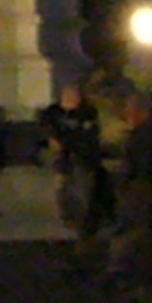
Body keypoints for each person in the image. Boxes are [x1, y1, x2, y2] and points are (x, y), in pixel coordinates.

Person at [105, 91, 152, 291]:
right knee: (145, 230)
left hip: (140, 185)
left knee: (133, 229)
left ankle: (123, 270)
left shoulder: (142, 134)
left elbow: (140, 162)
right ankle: (145, 272)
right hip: (146, 184)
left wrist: (126, 180)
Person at [45, 82, 113, 260]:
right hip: (62, 156)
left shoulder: (87, 112)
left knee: (85, 189)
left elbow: (88, 135)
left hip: (83, 156)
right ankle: (67, 217)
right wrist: (55, 140)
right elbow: (46, 129)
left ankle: (85, 222)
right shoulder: (53, 112)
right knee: (61, 187)